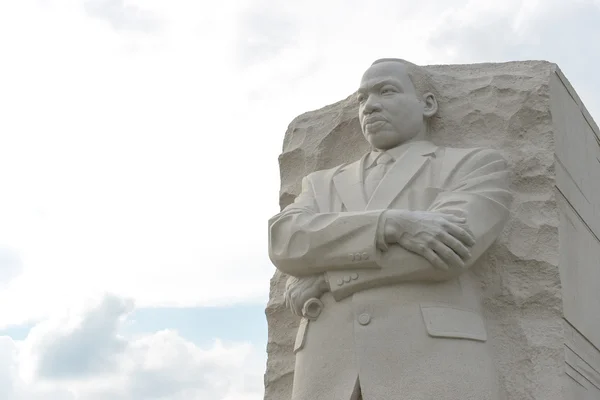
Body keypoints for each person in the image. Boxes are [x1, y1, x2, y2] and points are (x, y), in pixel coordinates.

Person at [268, 58, 512, 400]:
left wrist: (325, 280)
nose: (370, 106)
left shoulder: (472, 165)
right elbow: (285, 241)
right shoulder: (322, 184)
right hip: (328, 372)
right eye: (362, 98)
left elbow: (449, 251)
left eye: (386, 91)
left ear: (427, 104)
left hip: (430, 364)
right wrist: (391, 224)